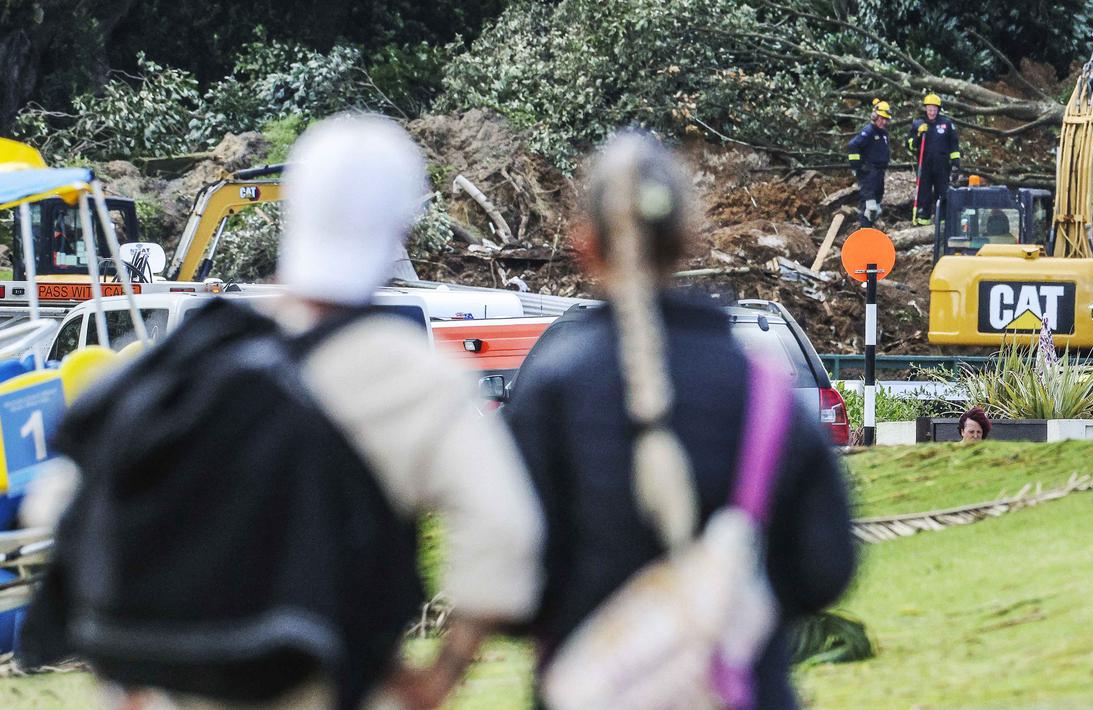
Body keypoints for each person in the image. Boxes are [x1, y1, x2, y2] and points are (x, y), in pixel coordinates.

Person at [21, 115, 545, 709]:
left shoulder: (199, 348)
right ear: (401, 222)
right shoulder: (411, 376)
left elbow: (58, 503)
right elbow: (506, 531)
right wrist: (440, 676)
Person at [503, 131, 856, 709]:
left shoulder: (551, 391)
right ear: (689, 238)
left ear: (584, 244)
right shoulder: (764, 388)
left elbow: (508, 581)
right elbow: (826, 569)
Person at [908, 93, 961, 226]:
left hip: (942, 165)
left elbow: (954, 145)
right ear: (925, 109)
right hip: (924, 164)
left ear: (938, 109)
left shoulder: (946, 124)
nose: (932, 112)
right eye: (929, 109)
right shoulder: (918, 123)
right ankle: (923, 219)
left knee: (942, 191)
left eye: (934, 109)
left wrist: (956, 164)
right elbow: (910, 146)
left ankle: (942, 220)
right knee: (924, 192)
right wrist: (918, 134)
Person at [848, 99, 893, 227]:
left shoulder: (883, 133)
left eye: (885, 119)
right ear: (875, 116)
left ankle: (870, 231)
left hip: (879, 173)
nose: (883, 121)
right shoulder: (868, 131)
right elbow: (853, 146)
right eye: (881, 118)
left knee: (876, 208)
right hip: (869, 174)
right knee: (869, 207)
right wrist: (858, 166)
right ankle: (864, 232)